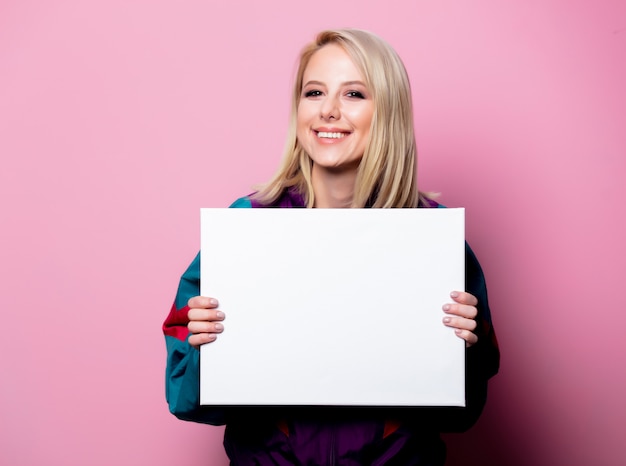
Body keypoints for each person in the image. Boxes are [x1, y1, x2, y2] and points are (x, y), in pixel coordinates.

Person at [163, 28, 499, 465]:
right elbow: (185, 398)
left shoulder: (433, 237)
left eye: (354, 93)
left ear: (388, 111)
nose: (329, 111)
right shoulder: (245, 228)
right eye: (314, 92)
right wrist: (204, 344)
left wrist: (464, 349)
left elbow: (463, 413)